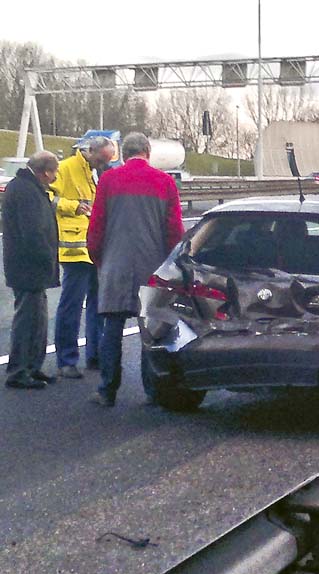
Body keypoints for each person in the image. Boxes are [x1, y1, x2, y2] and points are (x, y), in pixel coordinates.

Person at [87, 133, 184, 407]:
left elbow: (96, 227)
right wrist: (172, 266)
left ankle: (107, 390)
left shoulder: (108, 180)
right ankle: (152, 390)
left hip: (115, 265)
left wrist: (100, 260)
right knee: (150, 330)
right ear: (148, 152)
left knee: (112, 329)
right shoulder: (164, 182)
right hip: (152, 267)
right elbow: (174, 230)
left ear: (124, 153)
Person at [51, 136, 116, 379]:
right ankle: (66, 360)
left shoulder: (100, 172)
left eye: (108, 160)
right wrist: (73, 206)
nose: (104, 164)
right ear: (91, 152)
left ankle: (95, 354)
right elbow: (49, 197)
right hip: (75, 249)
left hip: (97, 248)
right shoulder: (67, 168)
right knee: (72, 305)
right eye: (102, 159)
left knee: (99, 305)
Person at [2, 151, 60, 389]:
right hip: (28, 268)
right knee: (27, 320)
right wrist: (48, 259)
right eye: (54, 171)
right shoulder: (27, 192)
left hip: (29, 267)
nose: (56, 176)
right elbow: (33, 233)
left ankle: (32, 366)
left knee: (37, 320)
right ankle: (19, 370)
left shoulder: (27, 188)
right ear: (45, 172)